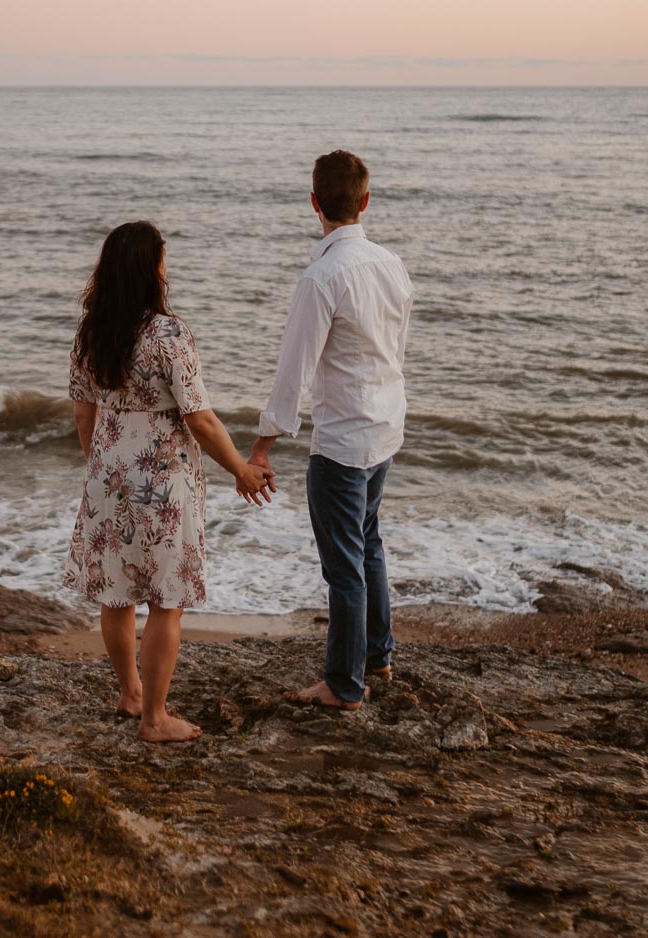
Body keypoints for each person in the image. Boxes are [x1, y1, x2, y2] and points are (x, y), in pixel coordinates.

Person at [64, 220, 275, 743]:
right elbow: (200, 419)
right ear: (149, 269)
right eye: (162, 259)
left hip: (108, 477)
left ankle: (130, 693)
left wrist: (100, 467)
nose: (167, 268)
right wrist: (242, 471)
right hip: (163, 484)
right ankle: (155, 719)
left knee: (115, 595)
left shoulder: (91, 330)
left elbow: (82, 413)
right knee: (165, 597)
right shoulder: (167, 334)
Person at [249, 150, 415, 711]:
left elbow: (292, 371)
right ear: (365, 202)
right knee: (368, 542)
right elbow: (395, 348)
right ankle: (378, 656)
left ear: (314, 204)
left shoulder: (321, 276)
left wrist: (262, 446)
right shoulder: (392, 264)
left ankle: (344, 686)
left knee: (345, 566)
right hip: (385, 427)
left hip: (344, 441)